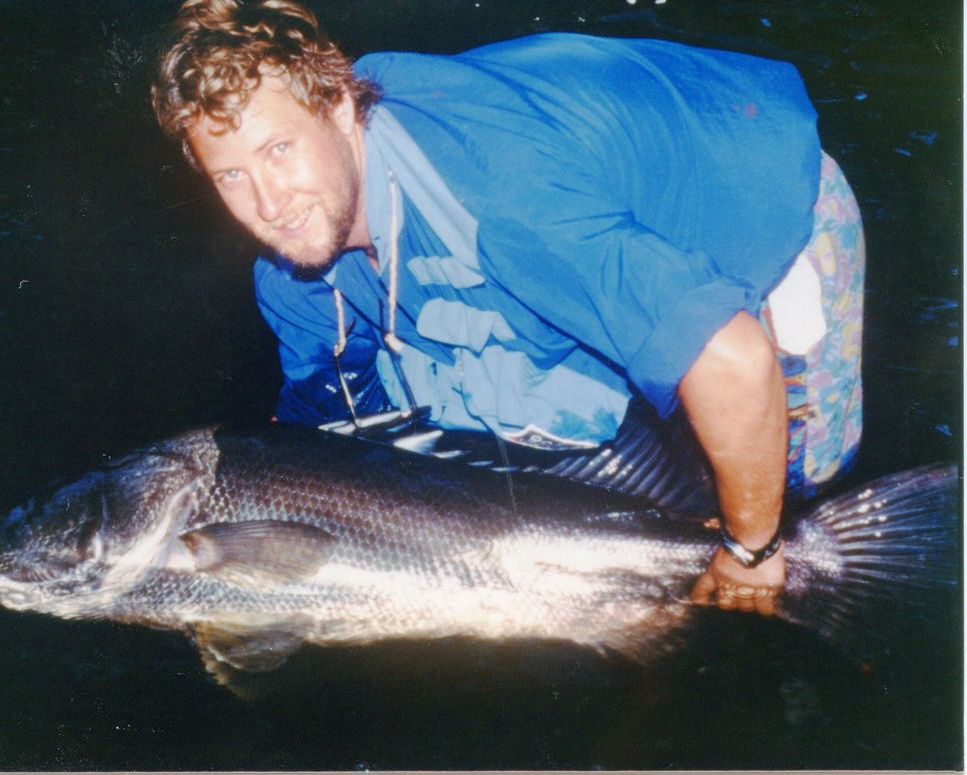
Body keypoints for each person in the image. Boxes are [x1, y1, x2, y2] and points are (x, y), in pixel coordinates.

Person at [150, 0, 865, 616]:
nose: (269, 204)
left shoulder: (500, 205)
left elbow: (734, 361)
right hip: (577, 228)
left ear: (339, 106)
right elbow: (319, 438)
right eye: (233, 175)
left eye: (279, 149)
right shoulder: (294, 276)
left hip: (749, 197)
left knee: (789, 487)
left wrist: (752, 548)